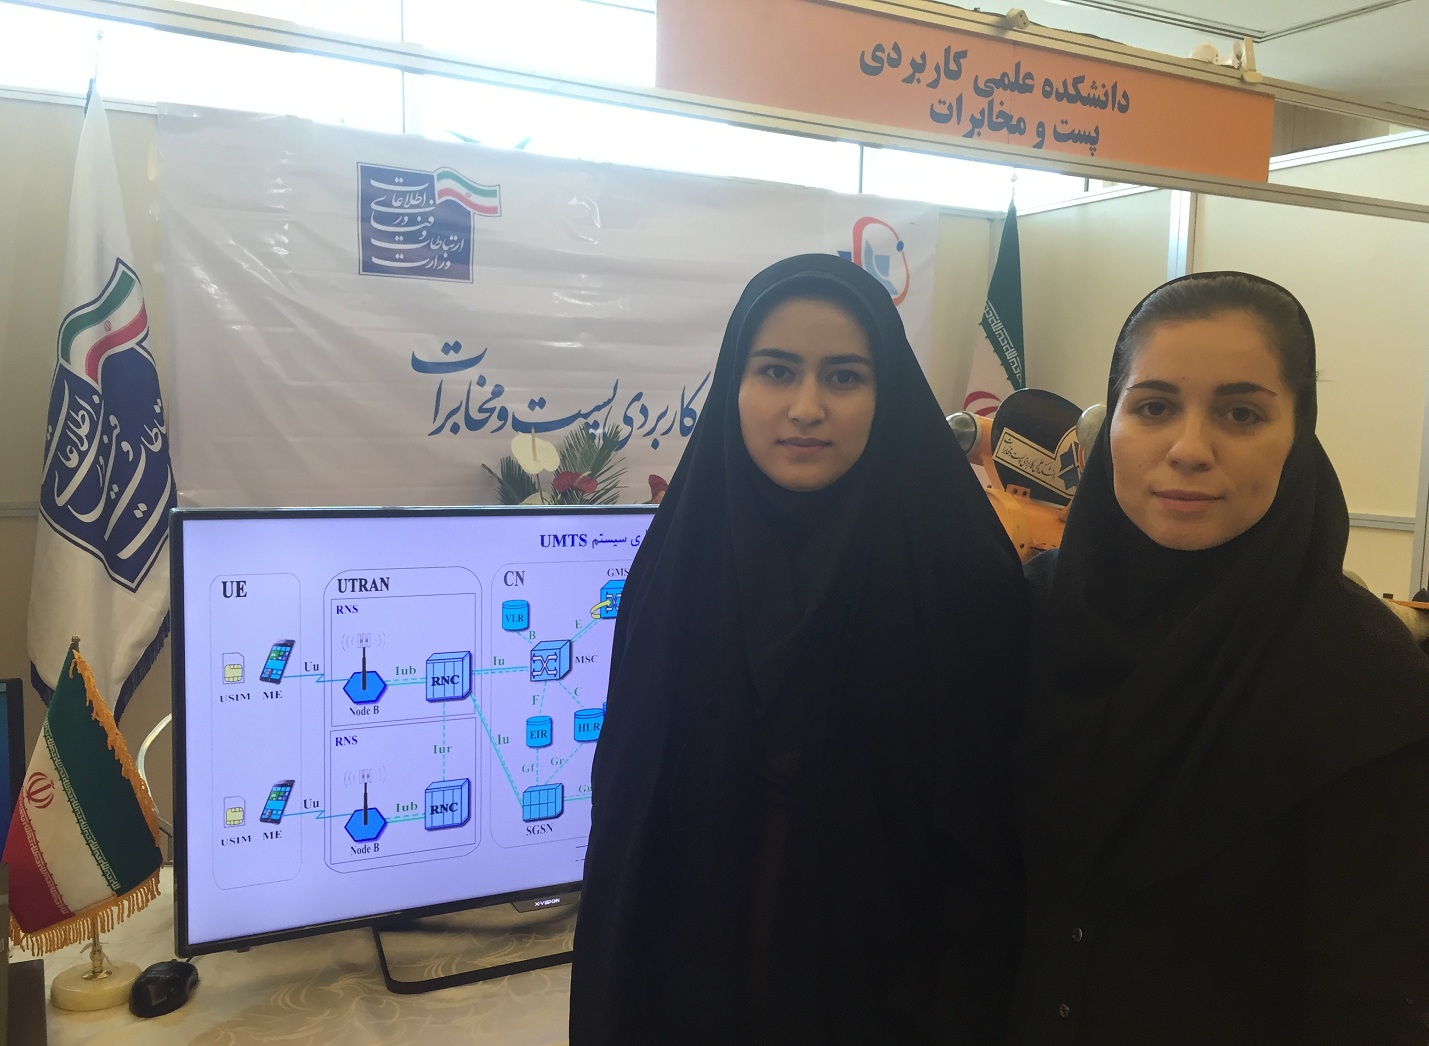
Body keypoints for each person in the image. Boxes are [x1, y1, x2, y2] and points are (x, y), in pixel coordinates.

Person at [570, 254, 1029, 1044]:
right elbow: (626, 820)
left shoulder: (961, 578)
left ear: (886, 393)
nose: (806, 407)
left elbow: (991, 845)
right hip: (689, 979)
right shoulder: (677, 568)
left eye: (844, 377)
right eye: (776, 371)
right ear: (734, 384)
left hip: (889, 994)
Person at [1014, 272, 1429, 1044]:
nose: (1188, 450)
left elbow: (1371, 998)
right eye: (1153, 407)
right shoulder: (1024, 618)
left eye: (1240, 414)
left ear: (1298, 435)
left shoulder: (1363, 681)